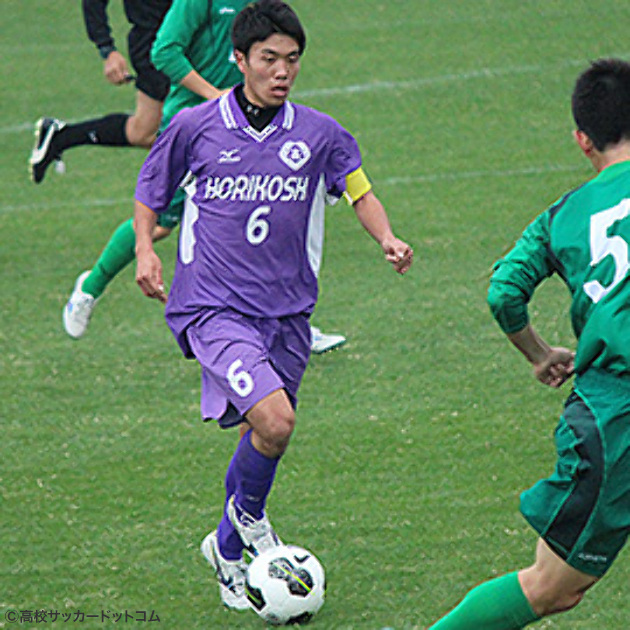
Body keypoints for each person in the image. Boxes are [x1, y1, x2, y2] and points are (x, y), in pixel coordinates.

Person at [133, 0, 413, 610]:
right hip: (213, 306)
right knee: (277, 421)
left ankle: (227, 549)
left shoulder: (320, 133)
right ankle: (253, 521)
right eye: (268, 59)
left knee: (264, 433)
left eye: (292, 59)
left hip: (286, 313)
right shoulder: (196, 127)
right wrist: (145, 251)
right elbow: (150, 189)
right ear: (240, 59)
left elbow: (359, 190)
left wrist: (386, 237)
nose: (282, 71)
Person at [428, 57, 630, 629]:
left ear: (582, 139)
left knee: (551, 588)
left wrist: (540, 355)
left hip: (614, 414)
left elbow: (504, 294)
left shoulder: (562, 216)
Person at [61, 0, 347, 354]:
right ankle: (90, 286)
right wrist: (215, 97)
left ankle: (288, 323)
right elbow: (164, 51)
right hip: (198, 129)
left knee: (259, 215)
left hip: (248, 126)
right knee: (161, 223)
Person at [29, 0, 172, 184]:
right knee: (163, 134)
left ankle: (62, 137)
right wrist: (107, 49)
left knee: (145, 132)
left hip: (191, 42)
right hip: (158, 46)